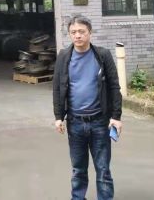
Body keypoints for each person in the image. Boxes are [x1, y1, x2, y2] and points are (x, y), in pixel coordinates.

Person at [52, 15, 123, 200]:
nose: (77, 36)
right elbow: (57, 88)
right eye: (73, 32)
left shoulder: (102, 55)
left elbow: (114, 87)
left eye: (81, 31)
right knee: (78, 169)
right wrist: (58, 116)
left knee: (103, 169)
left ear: (90, 32)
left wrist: (116, 116)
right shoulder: (63, 57)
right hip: (75, 122)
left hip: (99, 122)